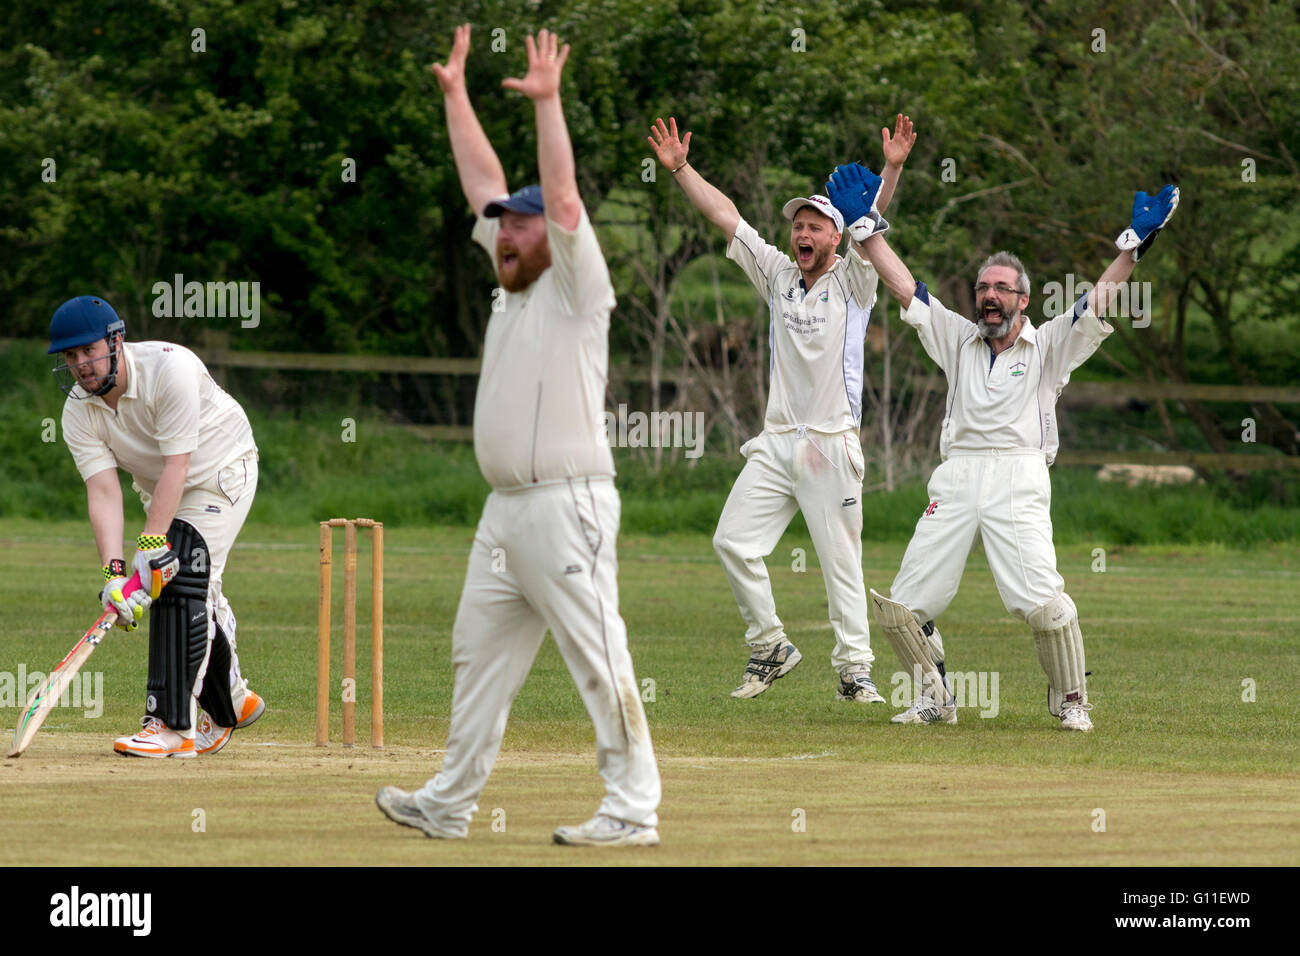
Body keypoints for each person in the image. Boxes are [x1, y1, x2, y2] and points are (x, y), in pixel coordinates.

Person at [375, 25, 661, 847]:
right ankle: (448, 803)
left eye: (520, 227)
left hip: (568, 506)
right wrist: (456, 95)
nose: (505, 232)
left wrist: (548, 103)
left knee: (601, 661)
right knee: (477, 660)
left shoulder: (577, 285)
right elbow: (484, 186)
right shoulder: (512, 288)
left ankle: (633, 811)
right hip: (503, 514)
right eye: (502, 228)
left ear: (553, 237)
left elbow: (560, 197)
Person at [825, 159, 1179, 730]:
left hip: (1018, 476)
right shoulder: (957, 337)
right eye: (983, 287)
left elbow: (1098, 301)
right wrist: (865, 226)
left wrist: (1134, 247)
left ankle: (1071, 702)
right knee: (901, 609)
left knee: (1043, 603)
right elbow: (905, 286)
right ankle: (935, 701)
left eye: (1001, 289)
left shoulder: (1050, 346)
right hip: (958, 475)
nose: (989, 296)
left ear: (1023, 300)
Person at [646, 114, 916, 702]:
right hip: (776, 443)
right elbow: (727, 216)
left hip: (830, 443)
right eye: (799, 225)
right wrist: (682, 170)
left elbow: (872, 227)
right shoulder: (777, 275)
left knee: (840, 563)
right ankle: (770, 645)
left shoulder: (855, 281)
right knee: (732, 542)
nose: (803, 233)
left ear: (836, 238)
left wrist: (890, 169)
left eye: (816, 226)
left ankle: (854, 673)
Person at [49, 294, 265, 757]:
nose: (81, 365)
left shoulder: (171, 369)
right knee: (189, 583)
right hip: (161, 489)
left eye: (89, 351)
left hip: (219, 469)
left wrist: (151, 544)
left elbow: (178, 466)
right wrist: (113, 574)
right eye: (71, 357)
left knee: (180, 575)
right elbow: (104, 492)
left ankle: (171, 725)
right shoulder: (77, 410)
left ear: (115, 340)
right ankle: (232, 699)